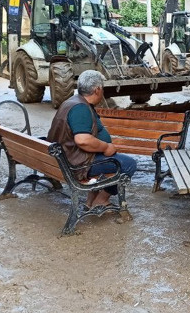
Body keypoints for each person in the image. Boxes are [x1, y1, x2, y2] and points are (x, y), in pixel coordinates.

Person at [47, 70, 138, 209]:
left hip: (68, 158)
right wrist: (106, 147)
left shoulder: (72, 101)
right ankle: (101, 200)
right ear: (97, 89)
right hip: (77, 164)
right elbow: (83, 140)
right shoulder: (80, 108)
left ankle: (90, 202)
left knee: (114, 161)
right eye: (103, 89)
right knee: (128, 164)